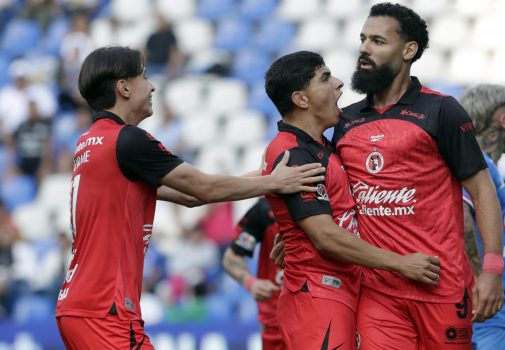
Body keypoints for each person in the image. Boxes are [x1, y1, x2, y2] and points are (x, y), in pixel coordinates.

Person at [54, 46, 325, 350]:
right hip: (106, 308)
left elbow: (190, 198)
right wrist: (275, 182)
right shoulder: (128, 140)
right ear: (124, 87)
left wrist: (267, 178)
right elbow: (203, 189)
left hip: (78, 304)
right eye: (144, 77)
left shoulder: (91, 142)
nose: (152, 85)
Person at [332, 3, 504, 348]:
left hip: (442, 289)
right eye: (363, 39)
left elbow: (483, 192)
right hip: (378, 293)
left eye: (378, 41)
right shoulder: (343, 122)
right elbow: (333, 198)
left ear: (409, 50)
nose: (364, 48)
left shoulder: (441, 111)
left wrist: (492, 269)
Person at [262, 50, 440, 350]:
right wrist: (401, 263)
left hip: (341, 290)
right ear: (301, 99)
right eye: (325, 78)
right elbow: (326, 237)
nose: (339, 83)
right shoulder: (292, 153)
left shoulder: (320, 147)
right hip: (317, 296)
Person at [459, 84, 505, 349]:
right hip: (486, 308)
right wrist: (483, 280)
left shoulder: (484, 165)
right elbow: (462, 216)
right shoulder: (478, 165)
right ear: (503, 119)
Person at [222, 198, 284, 350]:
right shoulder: (265, 210)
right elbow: (231, 258)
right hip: (275, 317)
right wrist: (251, 283)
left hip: (318, 309)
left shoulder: (329, 202)